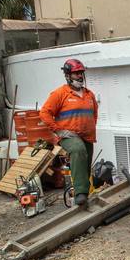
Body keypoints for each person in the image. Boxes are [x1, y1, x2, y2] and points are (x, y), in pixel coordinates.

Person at [40, 58, 99, 206]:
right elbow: (44, 113)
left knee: (85, 165)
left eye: (81, 73)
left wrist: (90, 128)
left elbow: (94, 115)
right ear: (67, 75)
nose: (79, 76)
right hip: (69, 135)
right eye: (75, 73)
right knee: (78, 151)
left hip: (87, 136)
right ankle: (80, 193)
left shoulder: (89, 94)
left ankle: (85, 194)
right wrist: (58, 130)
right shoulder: (60, 93)